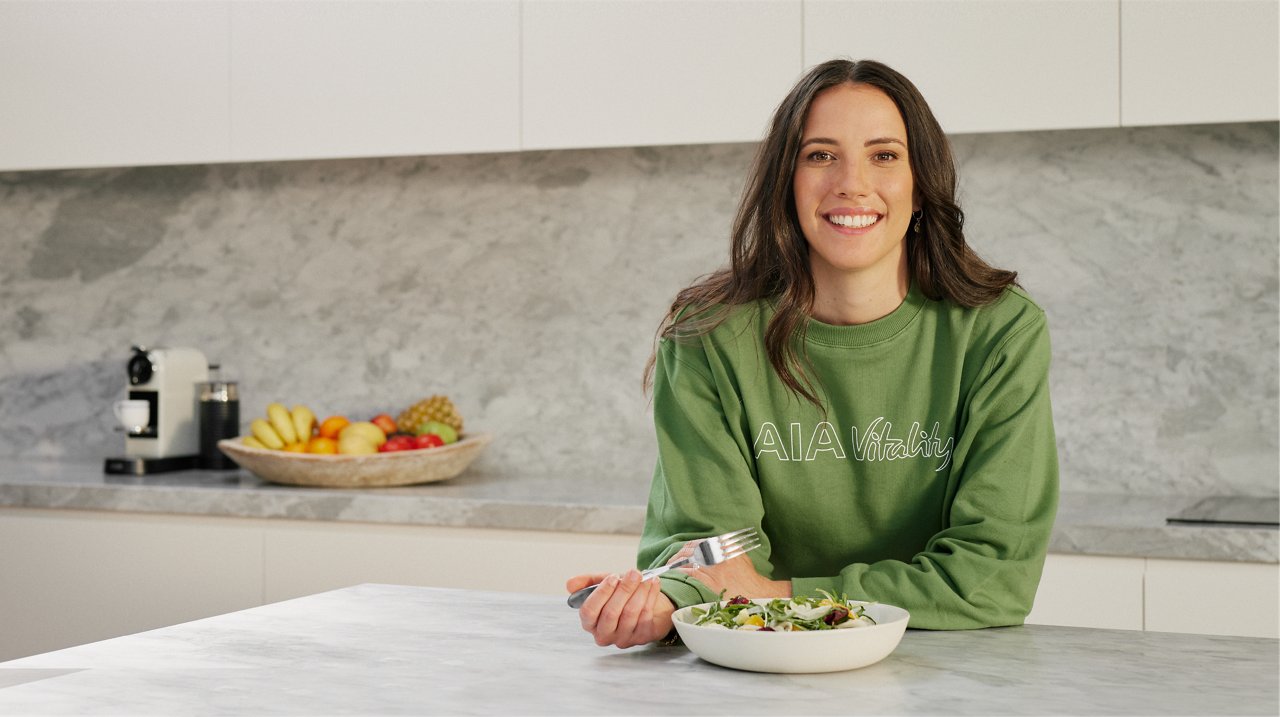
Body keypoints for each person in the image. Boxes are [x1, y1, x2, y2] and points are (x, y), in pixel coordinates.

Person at [567, 58, 1058, 648]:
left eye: (884, 155)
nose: (852, 184)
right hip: (756, 667)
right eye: (820, 155)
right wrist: (660, 601)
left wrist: (776, 596)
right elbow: (710, 555)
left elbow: (993, 576)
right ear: (787, 182)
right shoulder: (709, 336)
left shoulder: (997, 331)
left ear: (920, 184)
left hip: (948, 666)